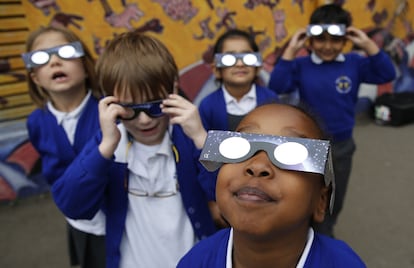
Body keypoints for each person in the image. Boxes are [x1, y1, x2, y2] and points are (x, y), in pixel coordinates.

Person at [51, 30, 217, 268]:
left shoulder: (189, 134)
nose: (144, 120)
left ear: (173, 88)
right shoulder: (107, 142)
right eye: (130, 109)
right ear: (111, 101)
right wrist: (105, 148)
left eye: (154, 106)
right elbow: (73, 205)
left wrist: (202, 139)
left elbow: (225, 192)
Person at [177, 102, 367, 268]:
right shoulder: (195, 260)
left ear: (321, 201)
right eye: (239, 147)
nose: (258, 166)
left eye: (292, 155)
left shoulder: (345, 264)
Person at [268, 3, 396, 237]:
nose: (327, 46)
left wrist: (367, 44)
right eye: (320, 39)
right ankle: (312, 234)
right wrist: (290, 51)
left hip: (341, 146)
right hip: (308, 145)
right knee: (305, 193)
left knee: (333, 198)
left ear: (346, 39)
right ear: (310, 39)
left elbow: (387, 74)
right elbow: (276, 85)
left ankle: (324, 233)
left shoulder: (354, 63)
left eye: (335, 40)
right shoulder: (301, 65)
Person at [22, 26, 106, 268]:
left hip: (121, 220)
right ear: (35, 77)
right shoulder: (36, 122)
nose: (55, 61)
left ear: (85, 65)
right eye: (41, 57)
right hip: (81, 224)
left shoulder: (109, 111)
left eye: (66, 52)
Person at [199, 28, 279, 132]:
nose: (240, 64)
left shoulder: (271, 99)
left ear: (258, 67)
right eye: (229, 59)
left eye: (248, 57)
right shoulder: (208, 106)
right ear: (216, 70)